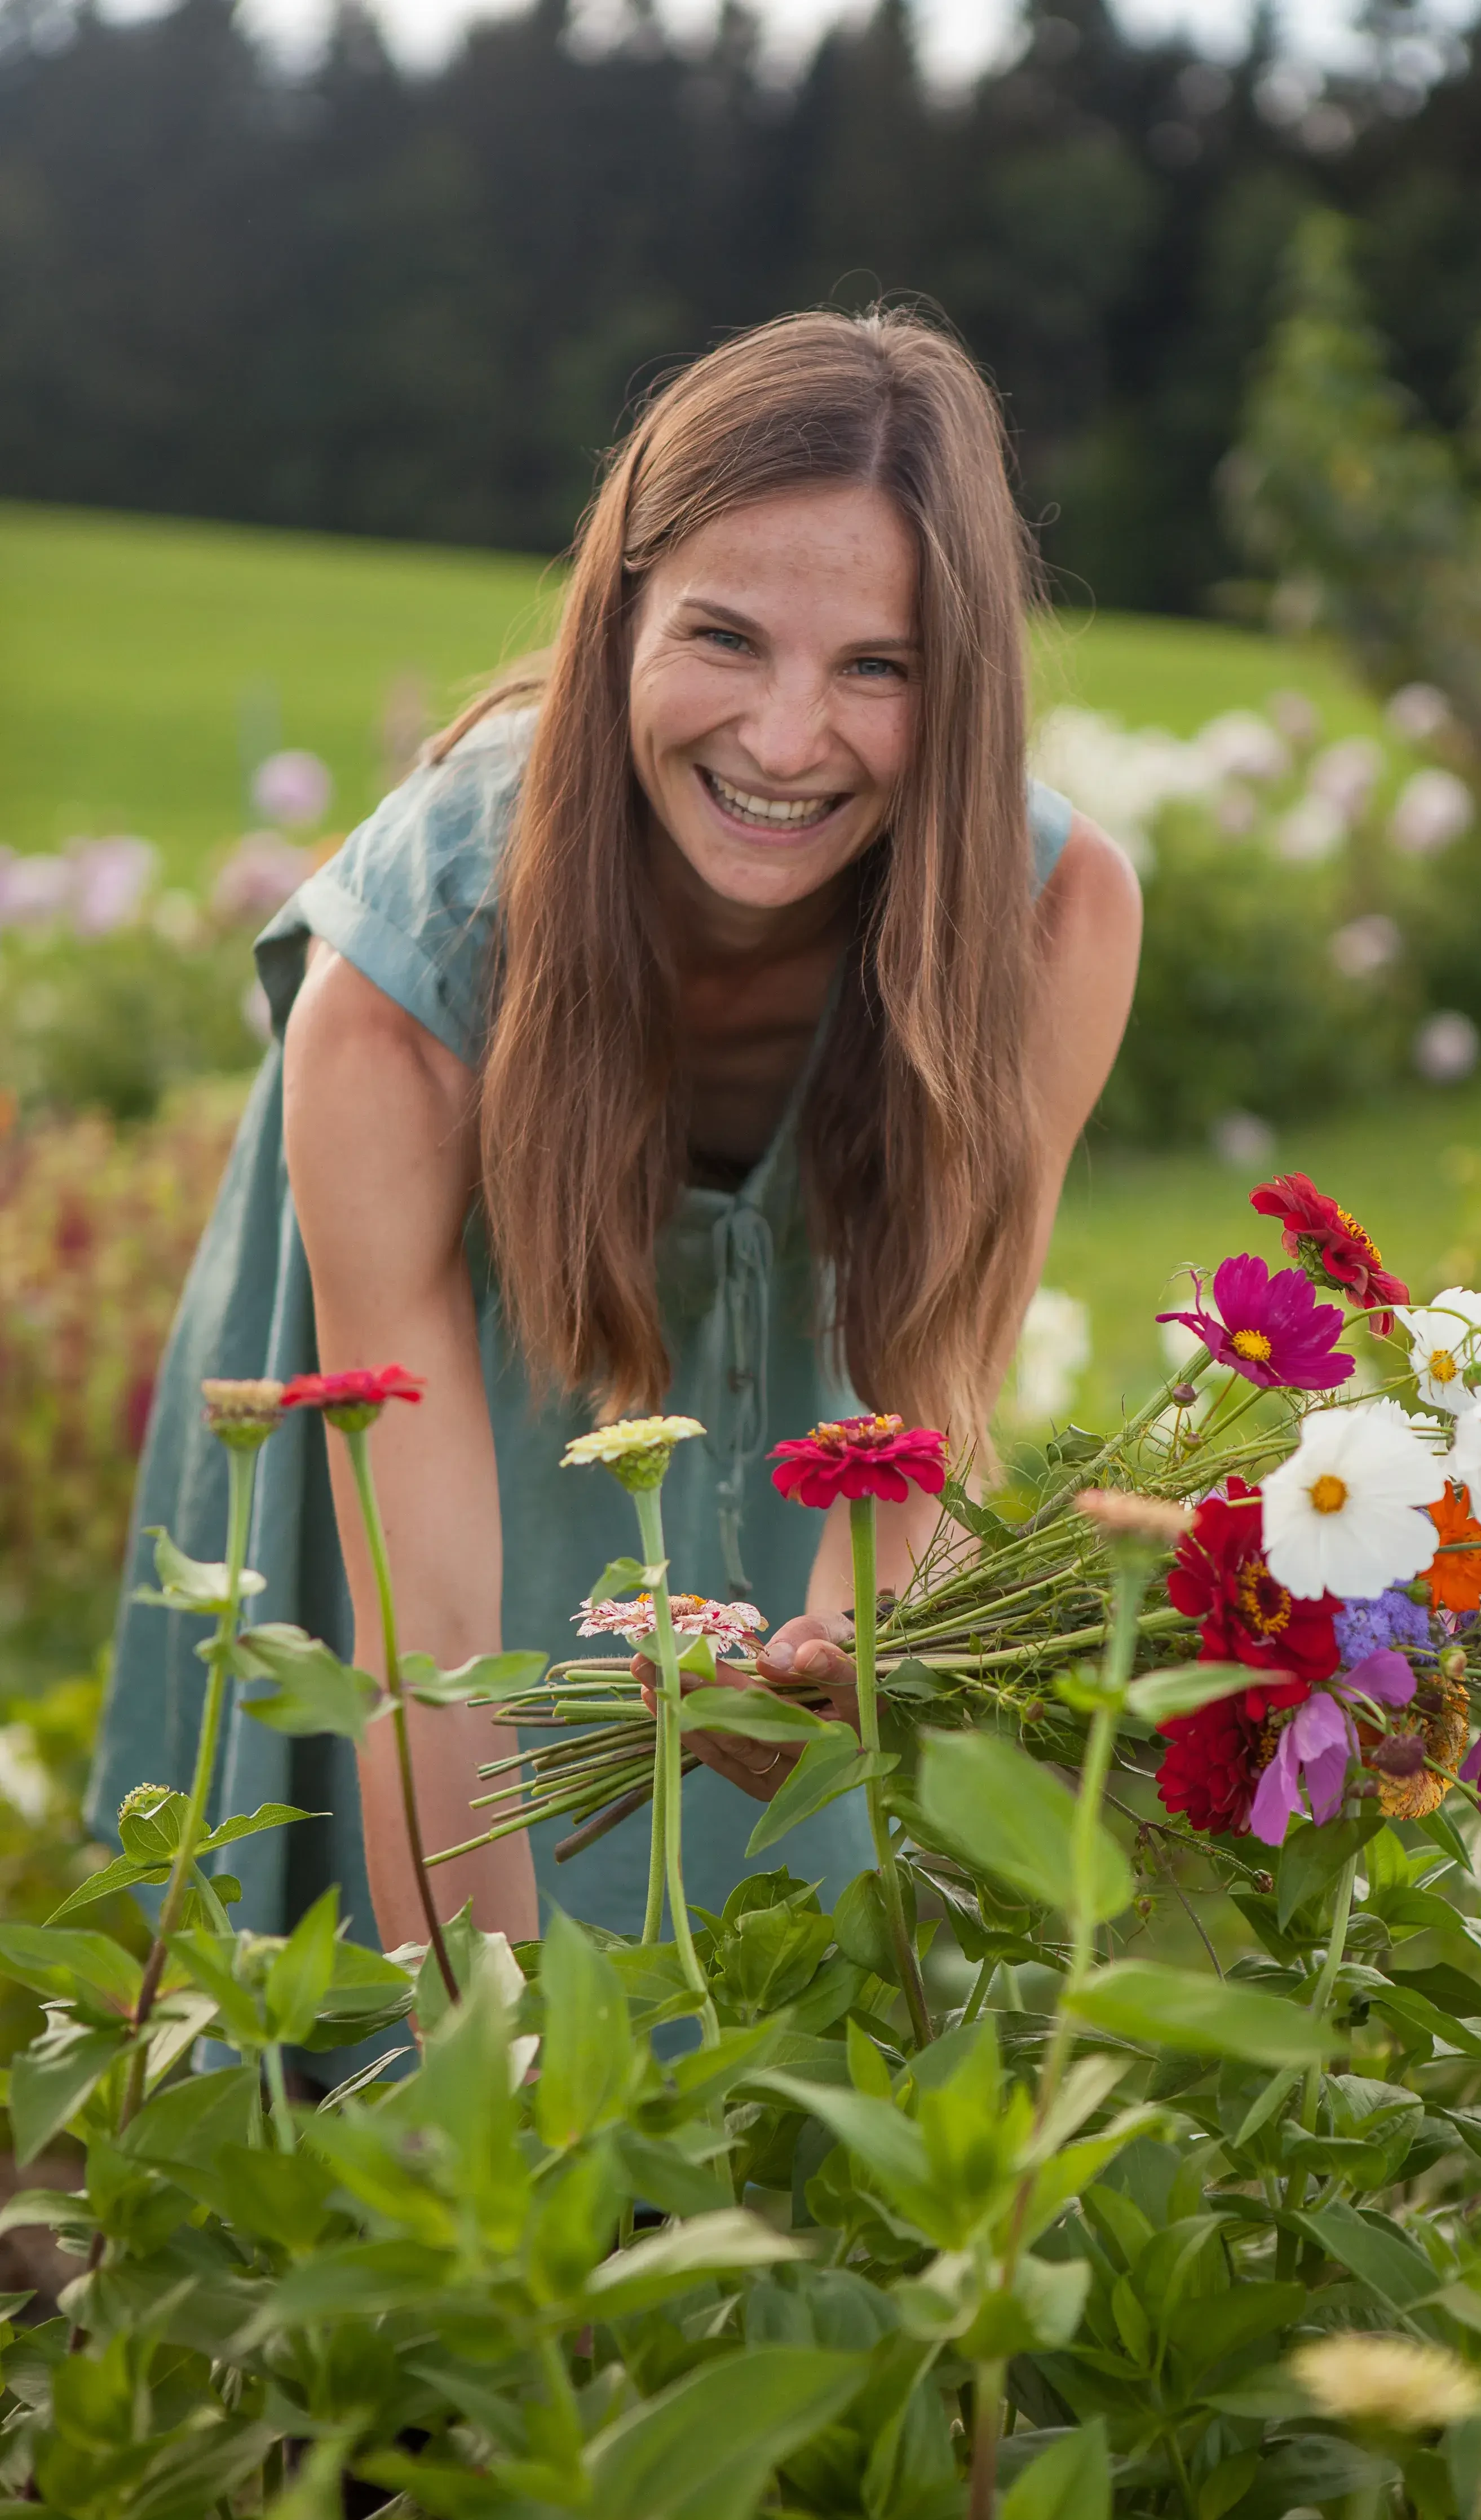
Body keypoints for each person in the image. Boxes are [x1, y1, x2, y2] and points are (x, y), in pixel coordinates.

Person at [91, 310, 1140, 2044]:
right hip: (431, 1478)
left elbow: (927, 1394)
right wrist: (517, 2095)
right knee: (331, 2042)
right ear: (619, 620)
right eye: (724, 637)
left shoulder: (1046, 920)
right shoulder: (401, 992)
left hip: (771, 1450)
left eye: (875, 666)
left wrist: (841, 1650)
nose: (791, 738)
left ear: (962, 680)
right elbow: (425, 1640)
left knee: (770, 2004)